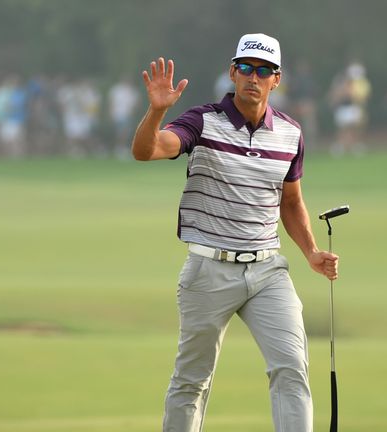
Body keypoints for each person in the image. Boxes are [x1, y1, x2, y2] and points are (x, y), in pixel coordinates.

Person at [131, 33, 339, 432]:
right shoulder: (203, 121)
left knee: (291, 368)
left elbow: (291, 201)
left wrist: (311, 251)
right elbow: (148, 150)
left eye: (263, 71)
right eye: (245, 68)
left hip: (267, 271)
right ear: (232, 72)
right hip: (209, 269)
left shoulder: (290, 134)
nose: (253, 77)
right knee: (192, 380)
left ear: (276, 80)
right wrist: (156, 112)